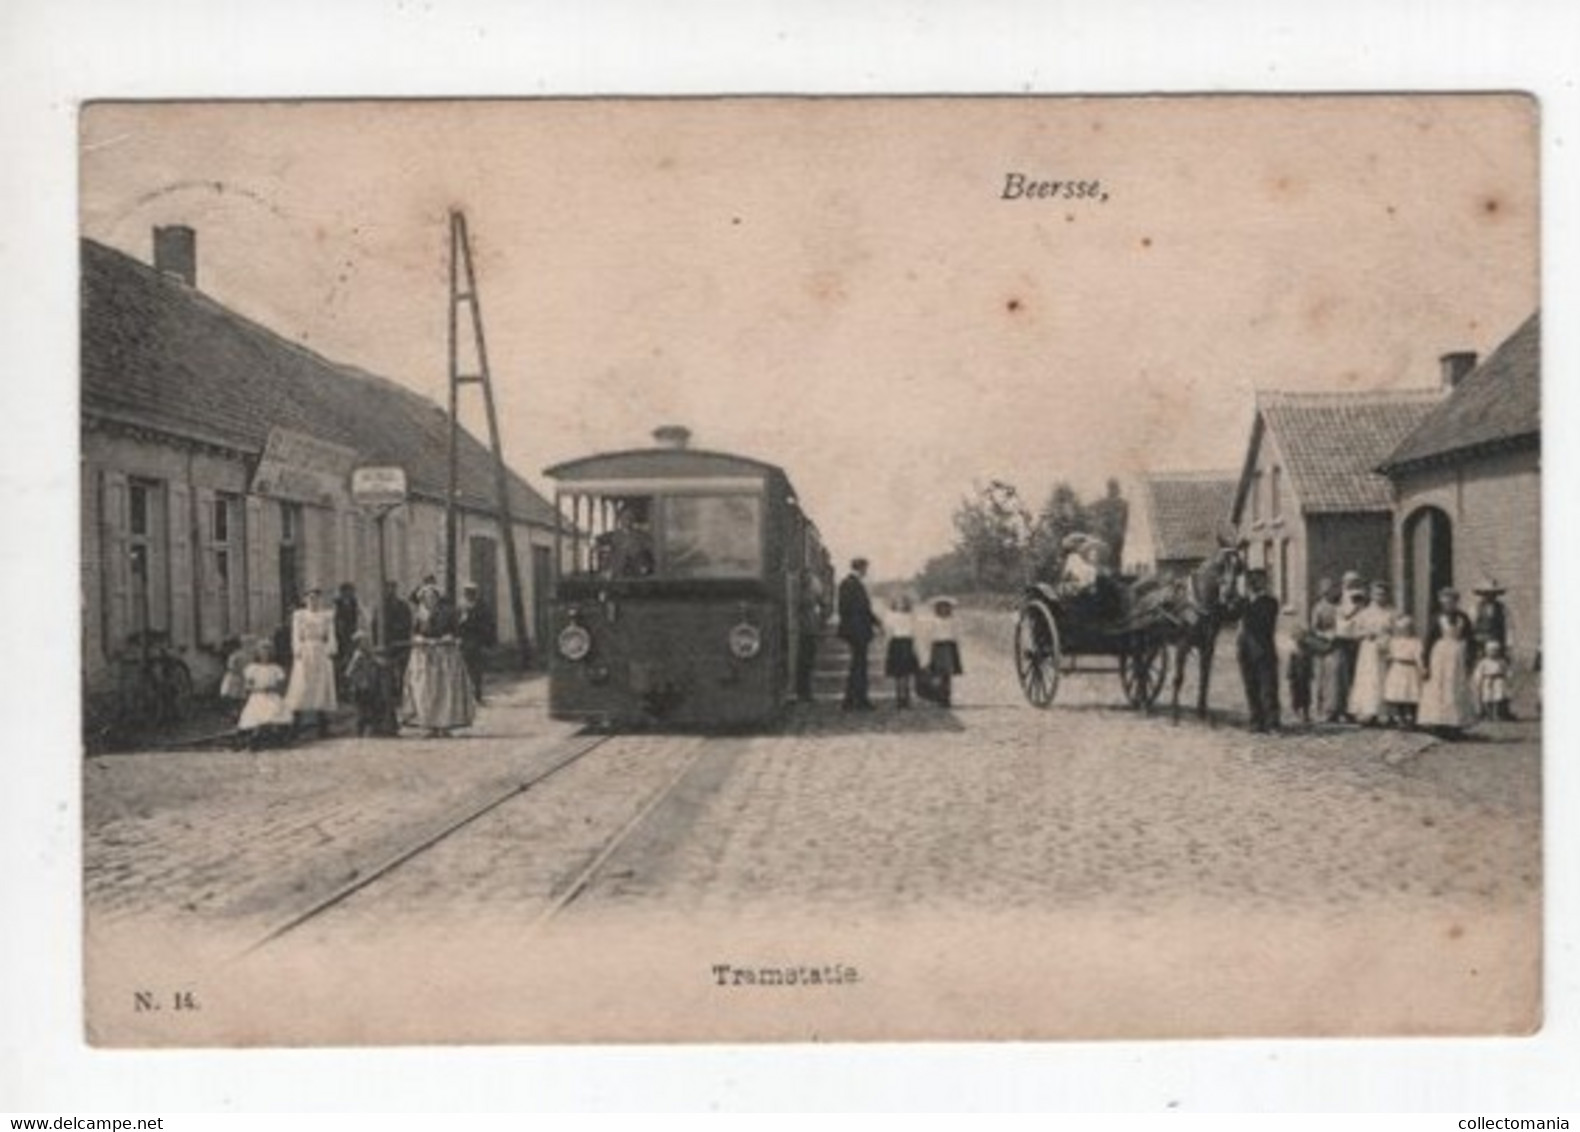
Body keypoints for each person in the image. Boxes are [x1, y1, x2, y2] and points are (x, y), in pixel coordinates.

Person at [401, 586, 476, 737]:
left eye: (433, 597)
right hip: (424, 656)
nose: (430, 600)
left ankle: (445, 724)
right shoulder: (419, 615)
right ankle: (428, 724)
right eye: (427, 598)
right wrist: (419, 639)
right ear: (422, 599)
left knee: (445, 690)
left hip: (444, 655)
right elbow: (413, 633)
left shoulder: (446, 613)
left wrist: (449, 638)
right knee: (424, 690)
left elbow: (456, 632)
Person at [1419, 587, 1477, 737]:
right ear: (1441, 602)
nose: (1449, 604)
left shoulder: (1463, 618)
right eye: (1446, 602)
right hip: (1440, 655)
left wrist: (1470, 658)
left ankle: (1456, 724)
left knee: (1455, 687)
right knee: (1440, 687)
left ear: (1456, 602)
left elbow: (1471, 639)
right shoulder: (1437, 618)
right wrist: (1425, 663)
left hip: (1457, 655)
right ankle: (1439, 723)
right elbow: (1428, 641)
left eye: (1452, 601)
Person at [284, 586, 338, 738]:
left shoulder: (326, 616)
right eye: (310, 598)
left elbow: (331, 634)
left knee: (321, 686)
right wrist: (297, 650)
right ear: (305, 599)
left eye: (316, 598)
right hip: (305, 651)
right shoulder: (299, 616)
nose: (313, 601)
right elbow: (295, 635)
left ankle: (322, 725)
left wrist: (330, 649)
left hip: (320, 652)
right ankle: (295, 724)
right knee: (301, 685)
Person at [1236, 568, 1281, 733]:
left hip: (1263, 650)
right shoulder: (1245, 602)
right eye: (1252, 581)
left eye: (1258, 581)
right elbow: (1230, 614)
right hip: (1245, 650)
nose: (1254, 584)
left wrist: (1246, 602)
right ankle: (1256, 721)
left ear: (1264, 583)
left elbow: (1260, 623)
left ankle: (1272, 723)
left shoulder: (1270, 602)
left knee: (1267, 687)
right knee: (1250, 686)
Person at [837, 557, 880, 711]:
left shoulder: (849, 584)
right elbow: (857, 609)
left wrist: (876, 622)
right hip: (857, 631)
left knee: (858, 665)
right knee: (859, 665)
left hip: (856, 630)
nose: (866, 572)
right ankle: (857, 700)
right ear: (860, 568)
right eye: (865, 568)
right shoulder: (851, 584)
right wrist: (874, 622)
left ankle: (852, 700)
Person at [1349, 581, 1395, 726]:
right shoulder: (1365, 613)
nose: (1380, 597)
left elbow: (1398, 631)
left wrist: (1390, 640)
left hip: (1386, 647)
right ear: (1371, 595)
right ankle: (1369, 712)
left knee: (1385, 679)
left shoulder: (1392, 612)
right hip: (1369, 650)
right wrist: (1366, 634)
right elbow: (1355, 632)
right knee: (1369, 680)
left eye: (1383, 594)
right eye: (1376, 594)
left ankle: (1387, 713)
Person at [236, 640, 292, 750]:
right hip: (258, 695)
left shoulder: (275, 669)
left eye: (267, 653)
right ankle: (255, 737)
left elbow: (280, 685)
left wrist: (272, 688)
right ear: (257, 654)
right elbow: (248, 686)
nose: (265, 656)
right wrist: (257, 689)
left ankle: (275, 736)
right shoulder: (253, 669)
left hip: (271, 695)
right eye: (262, 653)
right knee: (258, 712)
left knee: (274, 710)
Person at [344, 630, 399, 737]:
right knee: (362, 709)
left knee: (371, 706)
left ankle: (376, 728)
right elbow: (349, 671)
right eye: (364, 641)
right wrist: (356, 680)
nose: (367, 643)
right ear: (359, 643)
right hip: (361, 686)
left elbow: (377, 662)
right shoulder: (358, 655)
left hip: (369, 685)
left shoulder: (368, 654)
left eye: (367, 641)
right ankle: (361, 730)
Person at [1310, 577, 1346, 722]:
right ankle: (1326, 709)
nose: (1329, 593)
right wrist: (1325, 634)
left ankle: (1340, 708)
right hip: (1324, 646)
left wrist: (1339, 632)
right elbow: (1314, 628)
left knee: (1339, 677)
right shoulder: (1318, 608)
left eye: (1331, 590)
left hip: (1339, 643)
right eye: (1326, 591)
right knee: (1324, 678)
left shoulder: (1340, 607)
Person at [919, 597, 964, 708]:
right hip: (937, 646)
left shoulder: (953, 620)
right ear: (937, 609)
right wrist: (927, 648)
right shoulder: (933, 621)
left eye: (946, 607)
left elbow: (957, 634)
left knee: (947, 674)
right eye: (941, 607)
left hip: (949, 646)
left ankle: (946, 697)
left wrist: (957, 645)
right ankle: (939, 696)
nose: (944, 609)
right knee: (938, 674)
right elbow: (928, 635)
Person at [456, 582, 496, 704]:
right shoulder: (460, 607)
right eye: (467, 592)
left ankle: (477, 694)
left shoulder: (482, 607)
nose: (469, 595)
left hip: (476, 641)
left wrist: (486, 641)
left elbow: (488, 624)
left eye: (471, 592)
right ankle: (465, 696)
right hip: (463, 641)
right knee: (464, 669)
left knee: (476, 670)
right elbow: (455, 624)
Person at [1383, 614, 1423, 728]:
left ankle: (1412, 718)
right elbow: (1391, 653)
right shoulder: (1394, 641)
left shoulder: (1415, 641)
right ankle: (1400, 718)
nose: (1405, 631)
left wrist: (1421, 668)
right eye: (1402, 629)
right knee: (1398, 694)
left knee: (1411, 694)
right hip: (1398, 668)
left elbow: (1418, 656)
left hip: (1410, 669)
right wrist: (1388, 657)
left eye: (1408, 628)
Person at [882, 595, 920, 709]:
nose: (901, 605)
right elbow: (888, 631)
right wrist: (886, 645)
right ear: (894, 604)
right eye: (898, 602)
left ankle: (906, 698)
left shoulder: (911, 616)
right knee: (898, 673)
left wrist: (916, 647)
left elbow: (915, 631)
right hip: (896, 643)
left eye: (903, 602)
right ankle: (899, 698)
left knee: (907, 673)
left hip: (907, 643)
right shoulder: (890, 615)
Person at [793, 572, 825, 704]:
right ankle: (804, 692)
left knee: (807, 663)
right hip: (806, 632)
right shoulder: (805, 596)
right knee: (805, 663)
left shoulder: (808, 595)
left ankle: (805, 692)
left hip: (809, 631)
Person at [1280, 608, 1313, 725]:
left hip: (1304, 669)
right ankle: (1296, 711)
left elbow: (1310, 663)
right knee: (1295, 691)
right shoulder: (1293, 650)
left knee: (1305, 691)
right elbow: (1290, 663)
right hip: (1295, 670)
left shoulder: (1307, 650)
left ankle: (1305, 712)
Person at [377, 580, 414, 685]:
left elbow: (408, 623)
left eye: (392, 588)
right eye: (388, 588)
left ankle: (401, 688)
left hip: (401, 643)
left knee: (402, 669)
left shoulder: (403, 606)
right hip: (387, 643)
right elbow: (376, 625)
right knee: (386, 669)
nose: (390, 591)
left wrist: (404, 636)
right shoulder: (381, 607)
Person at [1472, 641, 1512, 721]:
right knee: (1487, 698)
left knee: (1498, 698)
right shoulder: (1483, 662)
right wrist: (1478, 681)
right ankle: (1488, 715)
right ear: (1486, 652)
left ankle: (1497, 714)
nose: (1493, 653)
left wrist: (1509, 678)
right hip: (1487, 681)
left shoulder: (1501, 662)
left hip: (1498, 681)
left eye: (1495, 651)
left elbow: (1507, 671)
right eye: (1490, 651)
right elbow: (1478, 672)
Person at [332, 582, 361, 695]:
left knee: (352, 661)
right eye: (348, 592)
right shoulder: (337, 604)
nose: (351, 594)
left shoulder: (354, 603)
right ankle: (341, 688)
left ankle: (350, 687)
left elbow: (356, 620)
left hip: (351, 636)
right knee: (341, 663)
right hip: (340, 637)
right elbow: (336, 622)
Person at [219, 636, 249, 706]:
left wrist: (234, 670)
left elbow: (231, 667)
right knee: (240, 694)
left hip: (234, 676)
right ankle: (239, 708)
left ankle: (234, 709)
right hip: (242, 675)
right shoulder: (244, 654)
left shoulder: (233, 656)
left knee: (231, 693)